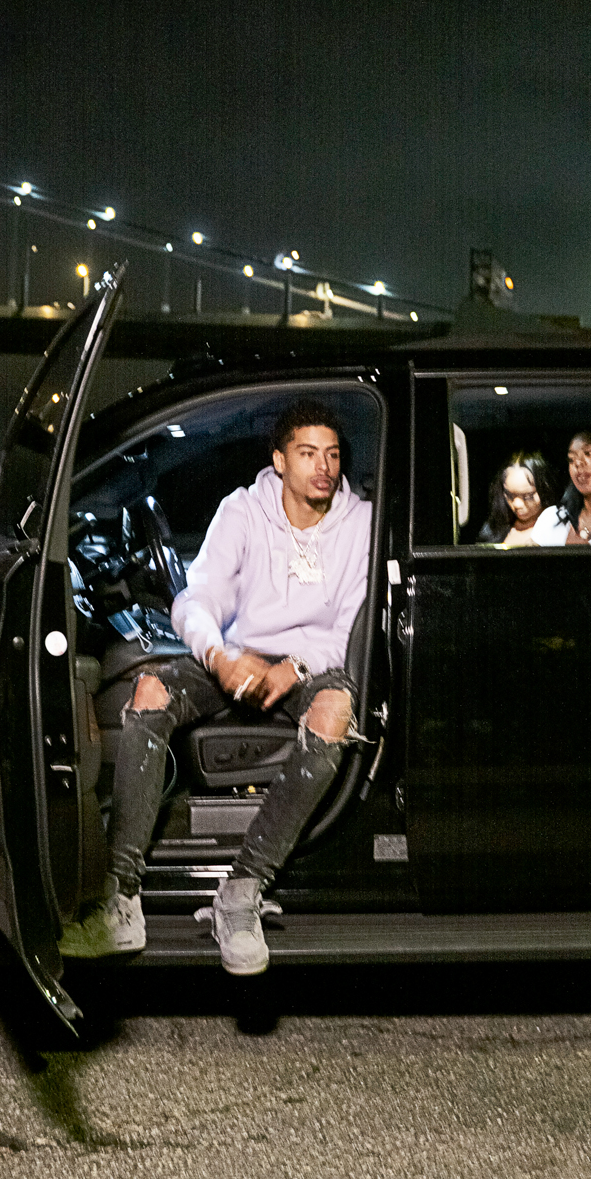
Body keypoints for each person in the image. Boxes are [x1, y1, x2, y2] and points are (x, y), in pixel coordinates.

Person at [68, 398, 371, 976]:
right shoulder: (242, 510)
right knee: (151, 690)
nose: (323, 468)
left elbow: (348, 627)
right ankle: (121, 895)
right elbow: (198, 597)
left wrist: (295, 668)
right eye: (308, 454)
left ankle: (240, 894)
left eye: (331, 455)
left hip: (314, 664)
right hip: (236, 654)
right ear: (279, 460)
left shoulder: (358, 523)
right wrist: (219, 654)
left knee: (334, 712)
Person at [479, 449, 558, 548]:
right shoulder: (493, 529)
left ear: (545, 489)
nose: (517, 504)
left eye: (528, 496)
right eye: (510, 495)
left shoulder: (559, 529)